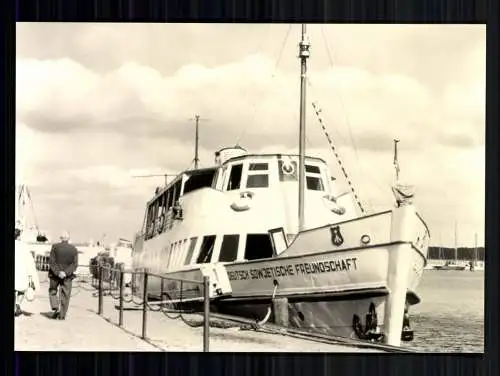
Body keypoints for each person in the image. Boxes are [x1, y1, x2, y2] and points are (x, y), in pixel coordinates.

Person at [48, 231, 79, 320]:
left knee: (53, 291)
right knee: (66, 295)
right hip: (67, 276)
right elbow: (74, 264)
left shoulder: (54, 247)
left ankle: (55, 307)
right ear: (68, 238)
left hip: (54, 275)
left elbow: (51, 262)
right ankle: (62, 315)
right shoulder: (73, 249)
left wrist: (58, 272)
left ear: (60, 238)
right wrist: (65, 272)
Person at [14, 228, 40, 317]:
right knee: (21, 289)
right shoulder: (24, 246)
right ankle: (17, 304)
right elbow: (30, 261)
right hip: (22, 271)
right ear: (19, 235)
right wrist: (31, 275)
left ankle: (15, 306)